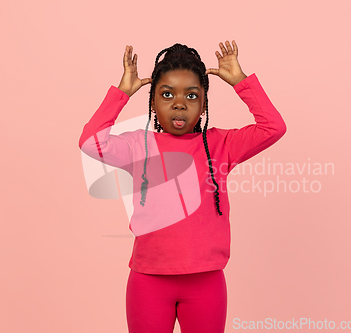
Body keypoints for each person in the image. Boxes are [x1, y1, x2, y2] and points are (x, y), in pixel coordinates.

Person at [79, 40, 287, 333]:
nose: (179, 103)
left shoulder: (221, 145)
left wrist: (241, 82)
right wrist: (122, 93)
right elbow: (90, 143)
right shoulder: (138, 145)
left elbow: (273, 127)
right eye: (167, 94)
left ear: (203, 105)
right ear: (152, 101)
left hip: (206, 282)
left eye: (191, 95)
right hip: (148, 281)